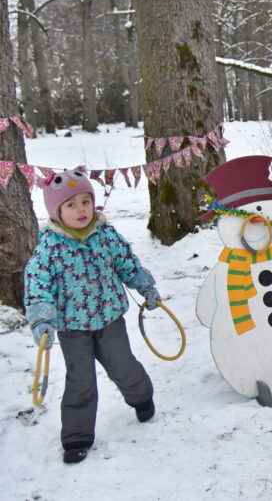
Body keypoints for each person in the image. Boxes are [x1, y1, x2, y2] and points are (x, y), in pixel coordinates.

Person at [23, 168, 162, 464]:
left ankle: (141, 397)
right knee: (80, 380)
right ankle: (76, 437)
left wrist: (146, 287)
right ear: (56, 211)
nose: (81, 209)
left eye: (85, 201)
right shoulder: (49, 248)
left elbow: (126, 263)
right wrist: (43, 320)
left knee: (123, 365)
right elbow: (38, 287)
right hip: (73, 328)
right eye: (71, 205)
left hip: (110, 318)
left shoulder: (105, 234)